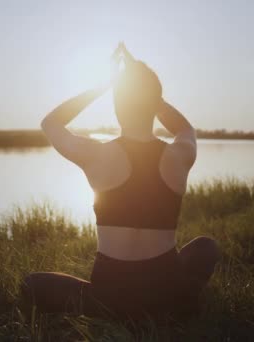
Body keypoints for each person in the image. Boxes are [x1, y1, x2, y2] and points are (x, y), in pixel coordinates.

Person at [21, 43, 220, 319]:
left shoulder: (97, 155)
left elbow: (51, 123)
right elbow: (185, 128)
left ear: (117, 106)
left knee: (31, 284)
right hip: (166, 291)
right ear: (154, 105)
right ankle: (179, 304)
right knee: (206, 247)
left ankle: (123, 313)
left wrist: (105, 85)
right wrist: (149, 91)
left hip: (108, 299)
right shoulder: (180, 155)